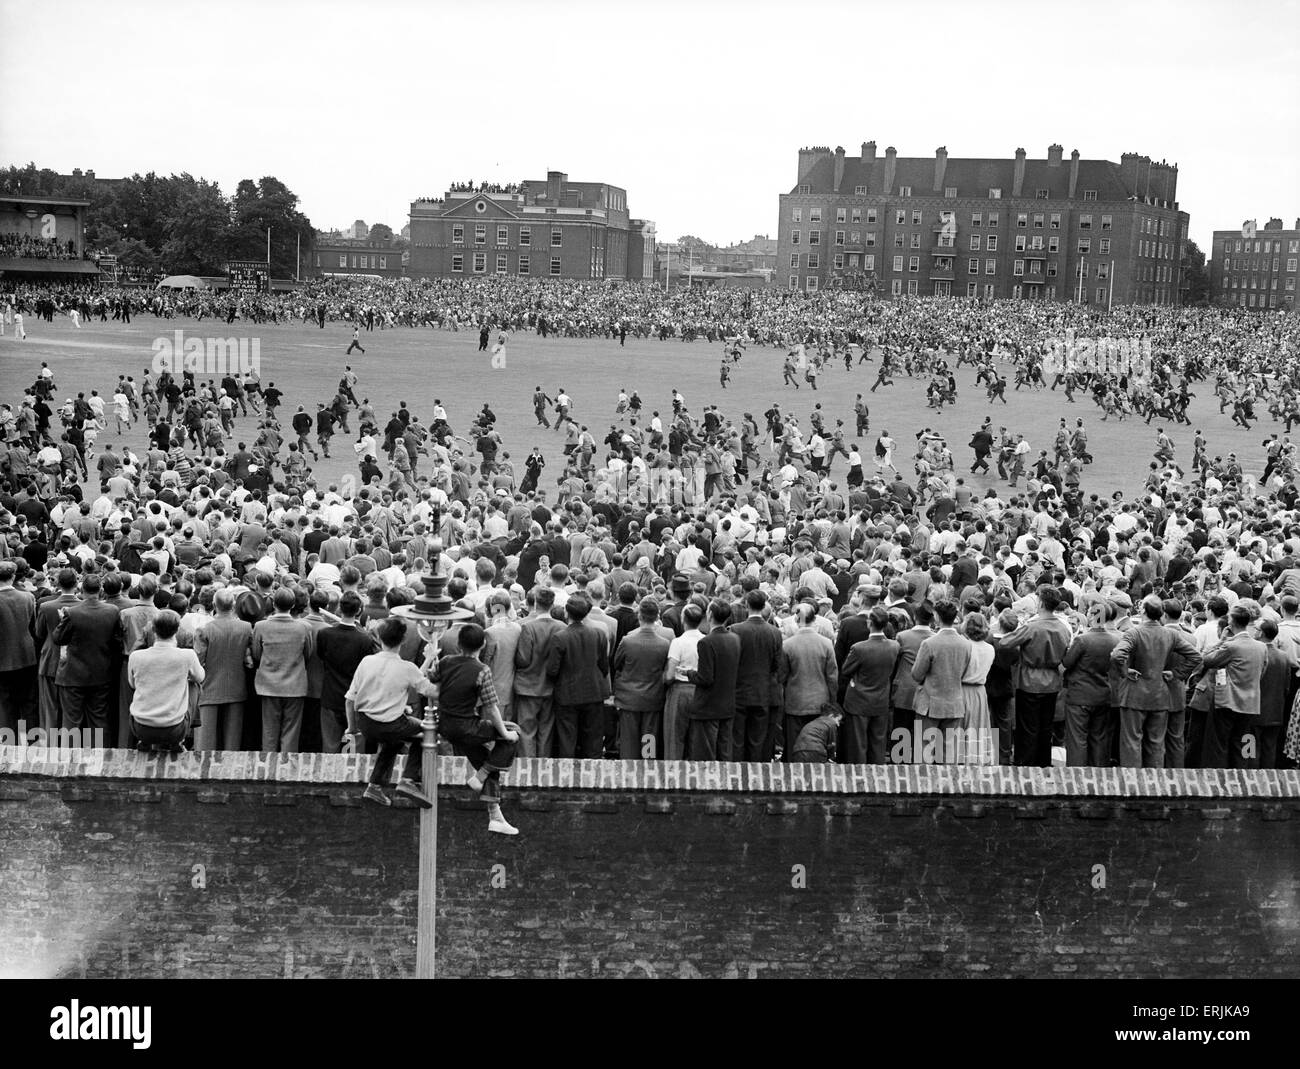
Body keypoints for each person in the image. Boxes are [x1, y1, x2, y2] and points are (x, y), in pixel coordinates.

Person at [429, 621, 519, 835]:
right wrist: (505, 733)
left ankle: (495, 815)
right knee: (514, 732)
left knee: (487, 763)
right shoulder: (482, 670)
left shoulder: (446, 661)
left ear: (459, 644)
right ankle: (481, 776)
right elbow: (492, 708)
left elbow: (432, 681)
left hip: (445, 726)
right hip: (467, 726)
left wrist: (432, 656)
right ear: (482, 646)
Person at [345, 616, 436, 809]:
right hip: (391, 724)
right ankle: (408, 780)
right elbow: (428, 690)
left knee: (393, 741)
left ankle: (375, 785)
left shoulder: (366, 662)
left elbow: (350, 699)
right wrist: (435, 665)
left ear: (379, 637)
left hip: (366, 724)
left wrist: (352, 728)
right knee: (427, 732)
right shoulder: (406, 667)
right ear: (403, 640)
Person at [1110, 595, 1202, 769]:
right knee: (1156, 743)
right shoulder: (1170, 634)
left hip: (1134, 695)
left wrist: (1124, 671)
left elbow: (1117, 654)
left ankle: (1133, 785)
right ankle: (1155, 785)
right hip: (1160, 695)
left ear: (1143, 611)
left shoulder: (1134, 632)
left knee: (1131, 742)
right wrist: (1177, 674)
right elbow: (1195, 656)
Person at [127, 611, 204, 752]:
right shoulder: (187, 655)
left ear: (153, 630)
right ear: (176, 630)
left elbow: (132, 684)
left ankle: (144, 742)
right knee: (194, 684)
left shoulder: (135, 656)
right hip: (174, 729)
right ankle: (178, 742)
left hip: (140, 727)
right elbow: (200, 677)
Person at [546, 592, 610, 759]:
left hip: (567, 695)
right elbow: (604, 666)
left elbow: (552, 670)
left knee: (567, 740)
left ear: (567, 613)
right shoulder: (599, 634)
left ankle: (567, 778)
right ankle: (593, 777)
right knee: (593, 741)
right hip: (594, 693)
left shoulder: (560, 637)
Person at [193, 587, 253, 751]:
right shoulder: (246, 628)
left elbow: (198, 661)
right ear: (234, 605)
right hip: (236, 688)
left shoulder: (204, 630)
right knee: (231, 745)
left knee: (205, 745)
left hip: (209, 688)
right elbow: (250, 657)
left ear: (213, 604)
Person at [910, 600, 970, 762]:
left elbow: (916, 674)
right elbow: (964, 672)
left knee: (924, 754)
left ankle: (924, 786)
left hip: (930, 704)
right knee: (949, 755)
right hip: (955, 703)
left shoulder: (929, 643)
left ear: (936, 616)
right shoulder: (966, 644)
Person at [612, 596, 671, 759]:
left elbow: (617, 664)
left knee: (628, 741)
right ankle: (647, 771)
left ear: (639, 616)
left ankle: (628, 775)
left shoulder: (627, 640)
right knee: (649, 739)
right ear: (657, 616)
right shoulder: (665, 643)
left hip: (628, 698)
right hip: (653, 698)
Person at [839, 606, 899, 764]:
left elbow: (845, 670)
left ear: (869, 623)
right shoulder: (894, 646)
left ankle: (859, 780)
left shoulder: (859, 648)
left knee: (858, 745)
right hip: (881, 700)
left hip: (858, 701)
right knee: (878, 743)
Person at [686, 599, 741, 760]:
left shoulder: (706, 642)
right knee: (724, 753)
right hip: (727, 704)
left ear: (709, 615)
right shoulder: (734, 638)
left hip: (708, 706)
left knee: (705, 754)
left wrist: (689, 673)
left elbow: (705, 678)